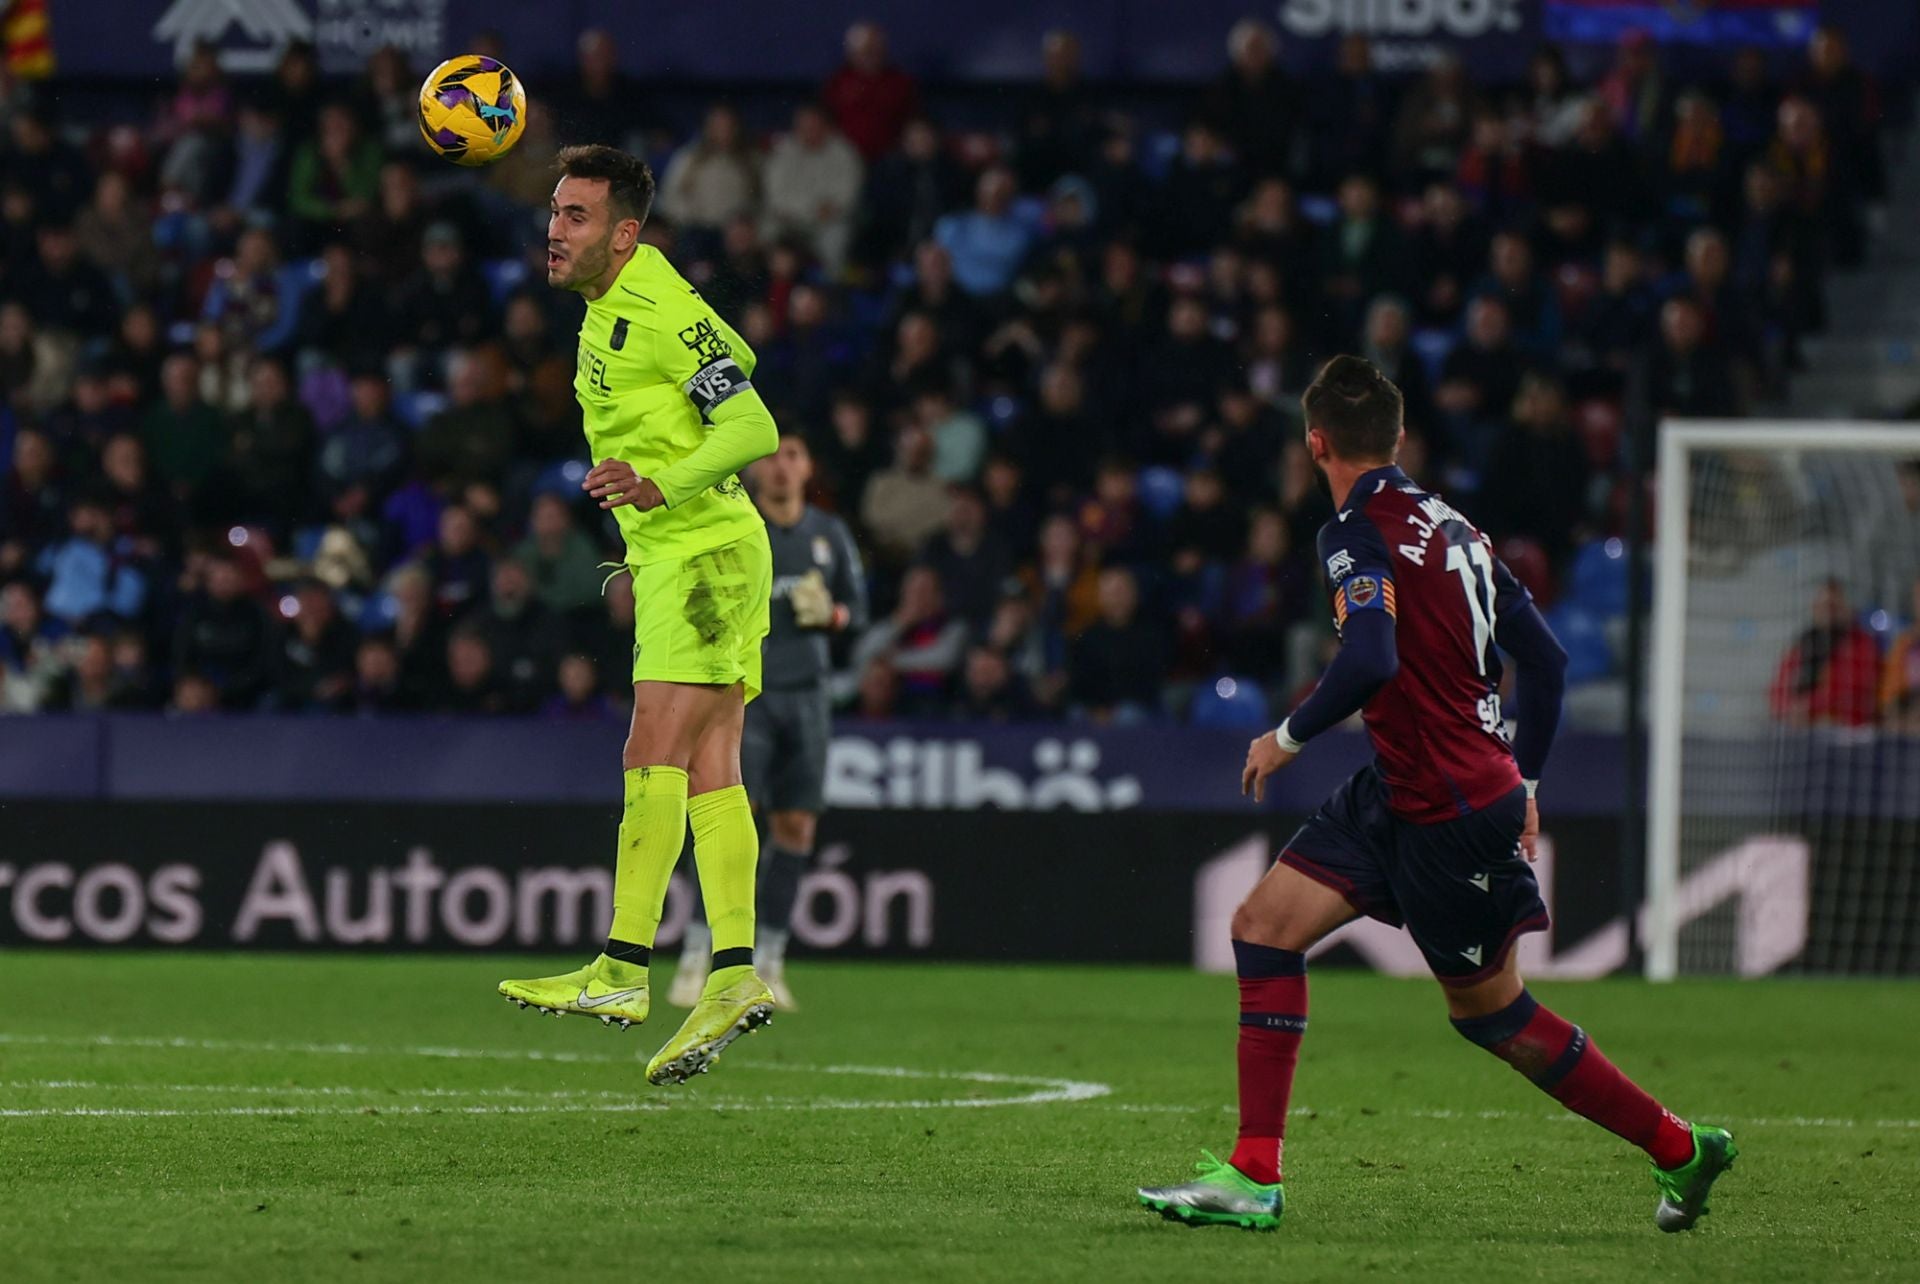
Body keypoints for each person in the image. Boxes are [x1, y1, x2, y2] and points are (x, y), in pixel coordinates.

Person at [1137, 356, 1734, 1234]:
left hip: (1450, 812)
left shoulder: (1352, 532)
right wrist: (1525, 779)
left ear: (1315, 444)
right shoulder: (1459, 529)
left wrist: (1288, 735)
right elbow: (1548, 663)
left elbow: (1371, 655)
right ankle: (1252, 1174)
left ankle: (1681, 1147)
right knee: (1262, 925)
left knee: (1494, 1017)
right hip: (1404, 786)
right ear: (1398, 437)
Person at [497, 145, 781, 1087]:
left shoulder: (654, 309)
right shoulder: (622, 306)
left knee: (649, 750)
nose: (555, 229)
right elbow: (732, 358)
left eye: (577, 216)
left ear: (624, 233)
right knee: (711, 767)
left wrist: (657, 483)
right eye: (553, 211)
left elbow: (753, 428)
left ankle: (622, 967)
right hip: (694, 558)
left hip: (700, 556)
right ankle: (736, 974)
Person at [673, 433, 868, 1011]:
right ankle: (695, 957)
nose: (781, 467)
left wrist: (832, 613)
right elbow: (698, 595)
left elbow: (858, 612)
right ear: (752, 466)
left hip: (808, 697)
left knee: (797, 830)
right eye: (771, 455)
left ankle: (771, 965)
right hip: (745, 693)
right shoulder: (733, 523)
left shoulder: (828, 534)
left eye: (793, 456)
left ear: (808, 468)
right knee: (730, 824)